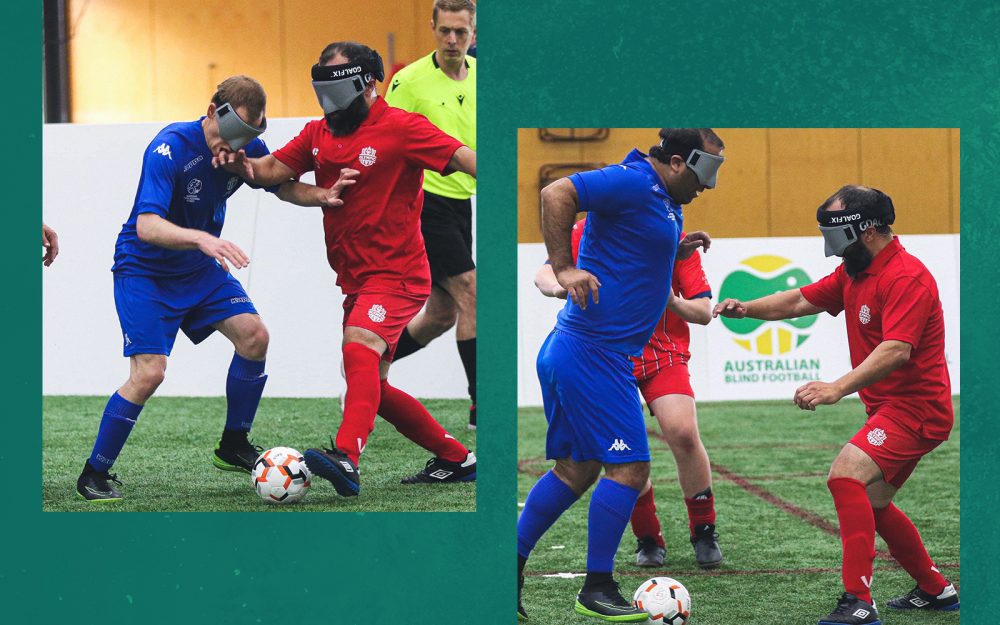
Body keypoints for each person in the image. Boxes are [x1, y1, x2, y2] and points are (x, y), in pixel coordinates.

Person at [215, 42, 477, 497]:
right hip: (356, 278)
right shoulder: (319, 133)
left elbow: (462, 159)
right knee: (372, 384)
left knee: (358, 348)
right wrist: (240, 162)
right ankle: (457, 457)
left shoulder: (402, 128)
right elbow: (271, 169)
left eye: (337, 90)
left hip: (397, 274)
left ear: (366, 84)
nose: (328, 101)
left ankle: (346, 457)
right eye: (323, 89)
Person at [76, 76, 347, 501]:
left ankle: (233, 444)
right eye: (234, 133)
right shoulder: (169, 147)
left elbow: (279, 184)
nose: (238, 145)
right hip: (145, 271)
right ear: (211, 113)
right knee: (149, 373)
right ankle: (94, 472)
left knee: (255, 336)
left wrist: (322, 195)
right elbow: (146, 226)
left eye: (250, 136)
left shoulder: (245, 150)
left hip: (199, 268)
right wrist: (202, 238)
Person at [714, 185, 959, 625]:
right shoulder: (854, 270)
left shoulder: (906, 276)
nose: (827, 240)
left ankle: (858, 602)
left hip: (916, 409)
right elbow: (798, 299)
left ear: (863, 229)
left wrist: (836, 388)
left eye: (831, 228)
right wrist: (746, 308)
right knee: (874, 503)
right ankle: (936, 590)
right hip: (892, 408)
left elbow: (896, 350)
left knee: (845, 475)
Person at [517, 128, 724, 622]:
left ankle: (505, 566)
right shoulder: (634, 181)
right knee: (629, 469)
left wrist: (673, 247)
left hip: (576, 350)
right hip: (595, 354)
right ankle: (598, 586)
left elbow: (626, 250)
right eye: (707, 170)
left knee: (577, 469)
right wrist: (564, 268)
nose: (709, 185)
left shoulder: (663, 199)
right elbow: (556, 192)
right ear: (677, 161)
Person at [534, 217, 723, 570]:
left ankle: (704, 530)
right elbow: (543, 274)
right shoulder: (586, 230)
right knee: (623, 450)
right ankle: (648, 537)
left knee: (682, 432)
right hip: (606, 355)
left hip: (662, 354)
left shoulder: (672, 237)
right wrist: (563, 285)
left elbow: (702, 312)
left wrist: (667, 299)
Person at [384, 0, 478, 429]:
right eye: (445, 31)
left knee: (442, 313)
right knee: (473, 294)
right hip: (423, 202)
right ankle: (483, 404)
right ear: (433, 29)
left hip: (462, 203)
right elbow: (386, 140)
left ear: (473, 31)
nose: (453, 40)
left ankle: (371, 366)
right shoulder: (409, 81)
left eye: (461, 31)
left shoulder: (484, 77)